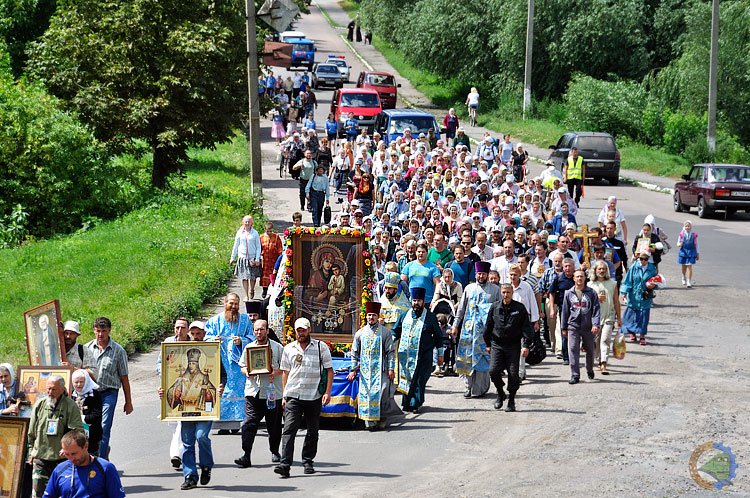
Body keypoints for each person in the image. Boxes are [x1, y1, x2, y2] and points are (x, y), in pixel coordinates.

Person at [161, 322, 225, 490]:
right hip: (186, 411)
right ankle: (190, 475)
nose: (196, 336)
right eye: (193, 334)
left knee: (202, 436)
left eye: (199, 334)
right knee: (188, 442)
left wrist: (218, 387)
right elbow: (171, 386)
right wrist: (166, 392)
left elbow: (221, 376)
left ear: (204, 334)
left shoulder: (212, 354)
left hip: (204, 409)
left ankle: (206, 466)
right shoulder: (181, 375)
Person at [274, 318, 333, 478]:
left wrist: (327, 392)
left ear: (309, 329)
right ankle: (285, 464)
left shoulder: (321, 347)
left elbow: (329, 371)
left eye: (304, 330)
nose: (301, 333)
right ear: (295, 331)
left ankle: (308, 461)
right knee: (288, 429)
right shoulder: (289, 348)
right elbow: (285, 372)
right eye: (298, 330)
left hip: (313, 396)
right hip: (294, 395)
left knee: (312, 430)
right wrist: (285, 394)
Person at [235, 319, 284, 468]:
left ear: (267, 331)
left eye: (262, 329)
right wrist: (247, 372)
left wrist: (276, 372)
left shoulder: (277, 347)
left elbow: (285, 366)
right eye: (256, 330)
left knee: (274, 425)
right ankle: (246, 455)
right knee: (249, 424)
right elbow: (242, 366)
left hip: (272, 393)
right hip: (253, 392)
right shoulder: (249, 348)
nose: (259, 332)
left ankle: (275, 451)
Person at [205, 293, 255, 433]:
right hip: (221, 363)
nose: (233, 307)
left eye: (236, 304)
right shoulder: (215, 321)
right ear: (225, 303)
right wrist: (213, 340)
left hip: (238, 364)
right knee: (222, 390)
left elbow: (252, 338)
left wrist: (242, 341)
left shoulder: (245, 320)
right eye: (231, 303)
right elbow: (206, 339)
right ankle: (223, 425)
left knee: (239, 392)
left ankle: (239, 422)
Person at [27, 375, 85, 497]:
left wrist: (67, 449)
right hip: (40, 458)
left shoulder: (70, 406)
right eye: (48, 389)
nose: (50, 392)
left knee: (63, 493)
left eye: (53, 389)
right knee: (37, 494)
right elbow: (31, 432)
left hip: (62, 459)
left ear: (62, 389)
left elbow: (78, 432)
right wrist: (31, 451)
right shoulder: (39, 405)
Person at [348, 302, 401, 430]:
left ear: (378, 316)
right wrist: (353, 370)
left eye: (373, 315)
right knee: (366, 395)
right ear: (366, 316)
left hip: (381, 371)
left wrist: (390, 369)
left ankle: (382, 418)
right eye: (369, 315)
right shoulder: (360, 333)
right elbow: (354, 352)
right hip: (365, 372)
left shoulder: (385, 332)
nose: (371, 317)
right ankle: (370, 423)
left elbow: (391, 352)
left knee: (382, 393)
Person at [451, 262, 500, 398]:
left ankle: (480, 388)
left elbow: (500, 311)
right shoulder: (469, 288)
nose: (481, 276)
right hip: (468, 331)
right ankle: (468, 387)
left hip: (485, 333)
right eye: (479, 274)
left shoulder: (495, 290)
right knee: (467, 359)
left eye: (483, 274)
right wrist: (455, 325)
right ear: (476, 274)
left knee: (482, 360)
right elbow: (461, 309)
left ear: (487, 274)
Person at [391, 287, 444, 413]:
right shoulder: (405, 315)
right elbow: (395, 330)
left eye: (419, 301)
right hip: (407, 354)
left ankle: (416, 403)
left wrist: (440, 355)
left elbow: (438, 336)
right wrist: (390, 342)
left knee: (420, 379)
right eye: (414, 300)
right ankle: (407, 402)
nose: (416, 303)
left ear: (423, 301)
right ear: (411, 301)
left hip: (424, 354)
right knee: (407, 378)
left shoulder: (430, 317)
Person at [86, 317, 132, 460]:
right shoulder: (86, 348)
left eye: (104, 331)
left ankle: (99, 462)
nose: (100, 334)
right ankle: (96, 454)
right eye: (98, 331)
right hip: (90, 393)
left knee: (104, 427)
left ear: (109, 331)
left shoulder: (118, 351)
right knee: (89, 426)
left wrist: (128, 402)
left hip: (109, 393)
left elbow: (124, 377)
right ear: (94, 331)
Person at [484, 284, 533, 412]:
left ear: (512, 293)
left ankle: (511, 400)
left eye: (508, 292)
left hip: (513, 345)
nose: (506, 295)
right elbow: (488, 326)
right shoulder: (494, 307)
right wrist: (487, 344)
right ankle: (500, 393)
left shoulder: (519, 308)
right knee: (493, 371)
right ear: (501, 293)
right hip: (497, 344)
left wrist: (526, 345)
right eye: (504, 292)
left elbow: (526, 328)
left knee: (513, 374)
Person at [43, 430, 125, 498]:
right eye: (67, 454)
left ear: (85, 446)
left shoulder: (106, 468)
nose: (71, 458)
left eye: (74, 453)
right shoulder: (60, 469)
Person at [156, 318, 189, 469]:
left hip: (189, 389)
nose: (179, 331)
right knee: (173, 423)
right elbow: (159, 363)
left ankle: (176, 454)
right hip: (171, 387)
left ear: (187, 329)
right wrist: (165, 372)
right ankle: (185, 448)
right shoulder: (168, 342)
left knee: (182, 422)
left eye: (182, 328)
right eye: (177, 328)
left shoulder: (194, 342)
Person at [560, 269, 601, 384]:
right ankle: (575, 375)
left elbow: (596, 310)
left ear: (584, 278)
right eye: (577, 276)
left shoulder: (591, 292)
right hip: (573, 326)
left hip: (588, 326)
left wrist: (595, 324)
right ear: (573, 278)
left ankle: (589, 369)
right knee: (573, 349)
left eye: (581, 276)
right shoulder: (568, 293)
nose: (579, 279)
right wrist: (564, 327)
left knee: (590, 350)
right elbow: (565, 311)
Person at [588, 261, 621, 375]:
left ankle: (604, 363)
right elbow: (586, 302)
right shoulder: (590, 285)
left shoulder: (612, 284)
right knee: (596, 341)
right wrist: (596, 298)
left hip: (609, 316)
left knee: (605, 340)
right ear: (595, 270)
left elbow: (616, 301)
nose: (601, 271)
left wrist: (619, 318)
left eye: (603, 269)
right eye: (599, 269)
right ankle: (599, 361)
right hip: (595, 318)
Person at [620, 251, 657, 345]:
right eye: (641, 259)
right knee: (631, 315)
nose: (643, 261)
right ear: (638, 258)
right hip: (634, 296)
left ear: (648, 259)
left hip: (645, 296)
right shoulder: (634, 267)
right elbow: (628, 281)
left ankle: (642, 335)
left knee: (644, 316)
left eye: (645, 259)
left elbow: (656, 281)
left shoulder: (652, 268)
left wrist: (653, 286)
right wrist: (624, 292)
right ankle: (632, 332)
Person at [548, 258, 576, 365]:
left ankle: (574, 353)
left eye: (570, 266)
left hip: (577, 309)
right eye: (566, 266)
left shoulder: (577, 277)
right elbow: (552, 293)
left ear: (573, 267)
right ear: (563, 267)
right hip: (563, 309)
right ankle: (566, 357)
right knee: (564, 332)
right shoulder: (559, 278)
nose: (568, 268)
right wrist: (552, 309)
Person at [70, 370, 103, 456]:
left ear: (87, 381)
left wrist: (81, 418)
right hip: (75, 435)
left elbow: (97, 415)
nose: (78, 385)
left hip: (92, 434)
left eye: (81, 382)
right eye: (76, 382)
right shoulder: (71, 395)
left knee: (92, 457)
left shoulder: (95, 395)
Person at [231, 215, 262, 301]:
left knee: (252, 277)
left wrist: (257, 258)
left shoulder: (255, 233)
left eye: (249, 221)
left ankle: (252, 290)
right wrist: (232, 257)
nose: (247, 223)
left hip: (252, 258)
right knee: (244, 277)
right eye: (246, 221)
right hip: (243, 258)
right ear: (243, 222)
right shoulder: (240, 233)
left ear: (252, 223)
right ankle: (245, 295)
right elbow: (236, 245)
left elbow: (258, 246)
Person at [260, 222, 283, 298]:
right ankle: (265, 290)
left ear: (272, 229)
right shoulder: (261, 237)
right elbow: (259, 248)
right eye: (267, 231)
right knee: (264, 275)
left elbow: (280, 249)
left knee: (273, 275)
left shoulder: (276, 237)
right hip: (265, 260)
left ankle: (273, 290)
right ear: (265, 230)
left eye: (270, 231)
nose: (269, 233)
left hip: (274, 260)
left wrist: (280, 260)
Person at [677, 220, 699, 288]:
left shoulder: (694, 235)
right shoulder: (681, 234)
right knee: (684, 266)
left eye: (688, 226)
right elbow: (677, 243)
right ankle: (683, 277)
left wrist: (697, 253)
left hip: (691, 252)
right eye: (686, 226)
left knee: (689, 266)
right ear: (684, 227)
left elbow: (697, 244)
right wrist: (679, 244)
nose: (687, 227)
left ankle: (689, 281)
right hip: (683, 252)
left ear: (691, 227)